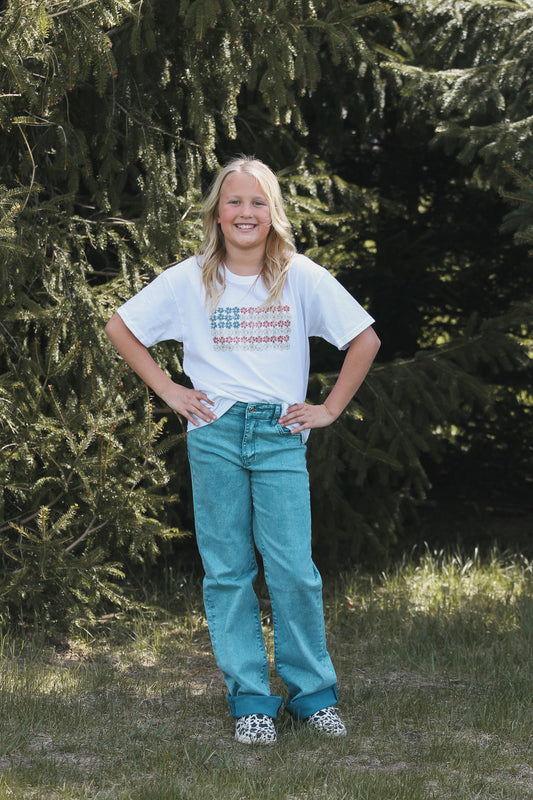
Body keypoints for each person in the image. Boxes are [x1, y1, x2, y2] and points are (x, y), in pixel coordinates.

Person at [105, 156, 380, 745]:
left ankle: (312, 695)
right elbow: (120, 327)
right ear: (217, 213)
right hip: (216, 432)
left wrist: (327, 409)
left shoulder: (300, 275)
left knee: (292, 570)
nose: (246, 212)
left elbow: (365, 337)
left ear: (273, 212)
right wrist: (171, 390)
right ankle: (251, 699)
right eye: (234, 202)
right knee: (228, 568)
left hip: (281, 435)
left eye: (258, 202)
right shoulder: (190, 277)